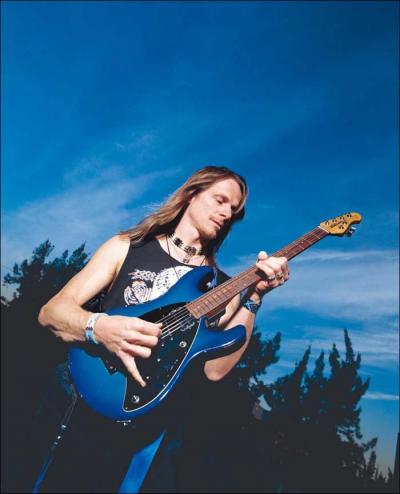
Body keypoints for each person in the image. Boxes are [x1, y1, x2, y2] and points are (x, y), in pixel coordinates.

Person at [36, 165, 289, 492]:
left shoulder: (221, 289)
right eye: (220, 200)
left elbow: (214, 370)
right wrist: (99, 327)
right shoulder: (127, 246)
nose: (227, 213)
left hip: (146, 431)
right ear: (192, 194)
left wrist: (255, 296)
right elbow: (51, 312)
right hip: (80, 400)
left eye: (234, 210)